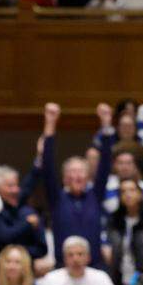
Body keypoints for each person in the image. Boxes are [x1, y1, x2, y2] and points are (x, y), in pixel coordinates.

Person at [38, 103, 113, 268]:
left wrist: (106, 124)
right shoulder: (57, 198)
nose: (76, 176)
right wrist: (50, 123)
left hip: (95, 266)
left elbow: (105, 164)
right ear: (64, 178)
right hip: (63, 267)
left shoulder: (95, 195)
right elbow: (48, 166)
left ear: (87, 177)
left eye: (81, 172)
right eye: (72, 172)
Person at [0, 165, 47, 279]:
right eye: (10, 186)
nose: (16, 190)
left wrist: (16, 253)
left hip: (26, 277)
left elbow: (41, 249)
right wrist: (27, 225)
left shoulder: (26, 211)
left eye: (16, 185)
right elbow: (3, 238)